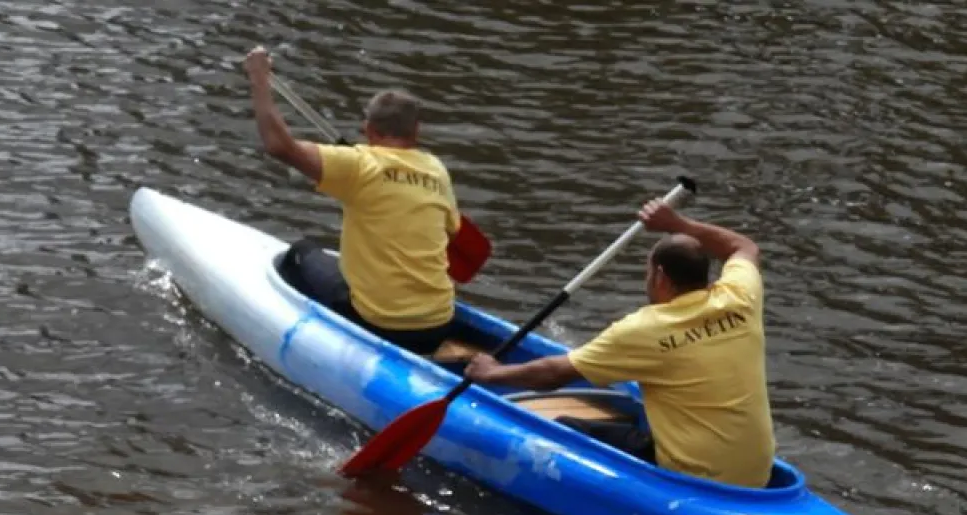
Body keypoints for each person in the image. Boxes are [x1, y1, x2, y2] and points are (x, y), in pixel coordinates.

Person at [464, 199, 776, 488]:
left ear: (660, 277)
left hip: (694, 476)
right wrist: (678, 223)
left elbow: (554, 374)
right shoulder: (741, 296)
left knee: (566, 428)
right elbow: (742, 246)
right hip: (757, 474)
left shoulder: (643, 329)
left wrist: (492, 373)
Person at [243, 46, 460, 355]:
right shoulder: (437, 170)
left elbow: (279, 145)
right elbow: (451, 233)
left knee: (301, 253)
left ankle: (311, 341)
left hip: (380, 323)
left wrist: (259, 81)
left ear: (368, 130)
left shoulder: (358, 164)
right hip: (439, 324)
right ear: (416, 130)